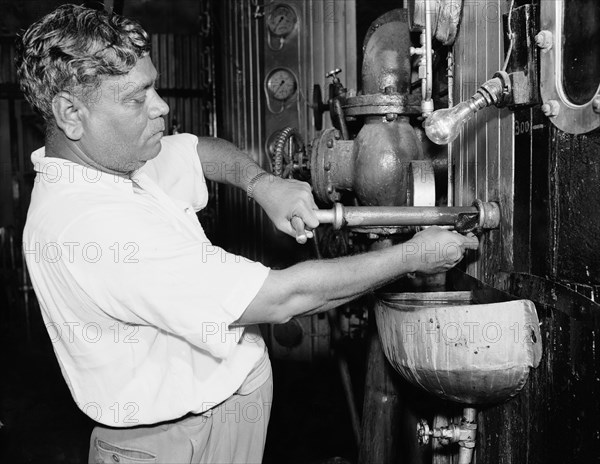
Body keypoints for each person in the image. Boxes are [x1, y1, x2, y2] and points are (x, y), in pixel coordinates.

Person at [16, 4, 478, 464]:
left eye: (154, 86)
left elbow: (198, 152)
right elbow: (284, 298)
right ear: (70, 113)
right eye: (137, 99)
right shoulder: (94, 228)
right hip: (178, 442)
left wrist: (264, 185)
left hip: (220, 414)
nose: (161, 107)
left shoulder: (110, 162)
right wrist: (415, 256)